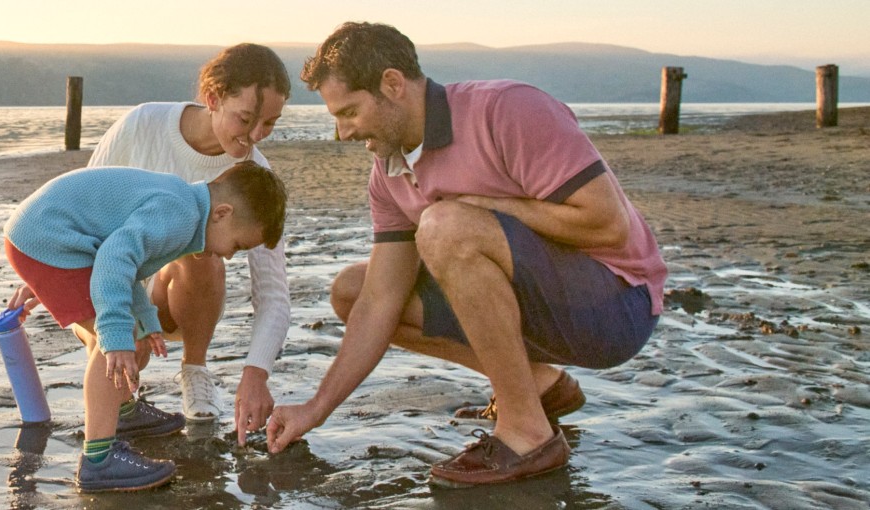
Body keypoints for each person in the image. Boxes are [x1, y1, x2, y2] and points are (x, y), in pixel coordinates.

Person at [264, 22, 667, 488]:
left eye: (350, 112)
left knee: (444, 226)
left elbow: (608, 224)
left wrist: (490, 208)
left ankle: (527, 433)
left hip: (616, 306)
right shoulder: (388, 174)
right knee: (354, 292)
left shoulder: (508, 109)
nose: (342, 132)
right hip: (537, 310)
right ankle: (536, 386)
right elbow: (380, 302)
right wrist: (315, 409)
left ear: (392, 84)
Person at [2, 162, 287, 492]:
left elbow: (129, 268)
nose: (230, 255)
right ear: (222, 213)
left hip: (47, 233)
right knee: (109, 342)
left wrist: (147, 322)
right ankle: (98, 460)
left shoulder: (183, 207)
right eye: (237, 245)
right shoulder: (179, 215)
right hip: (48, 239)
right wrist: (117, 333)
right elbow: (113, 258)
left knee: (127, 335)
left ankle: (123, 412)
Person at [87, 43, 292, 439]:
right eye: (245, 118)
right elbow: (86, 210)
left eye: (269, 124)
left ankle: (194, 372)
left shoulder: (253, 175)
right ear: (213, 98)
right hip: (105, 286)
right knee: (121, 338)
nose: (254, 137)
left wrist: (255, 374)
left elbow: (274, 294)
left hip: (172, 300)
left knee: (201, 251)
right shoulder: (143, 125)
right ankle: (120, 402)